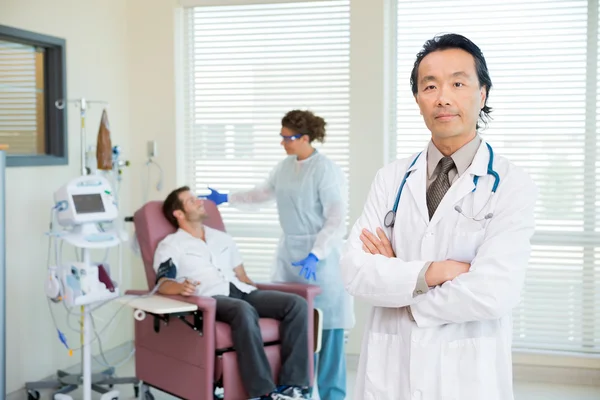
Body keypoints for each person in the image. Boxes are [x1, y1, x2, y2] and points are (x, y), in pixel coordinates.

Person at [340, 33, 538, 400]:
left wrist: (401, 285)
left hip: (467, 377)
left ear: (483, 95)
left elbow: (493, 292)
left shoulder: (512, 185)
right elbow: (354, 271)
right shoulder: (391, 179)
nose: (443, 97)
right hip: (390, 371)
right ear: (417, 99)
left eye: (458, 83)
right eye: (429, 85)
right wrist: (436, 272)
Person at [204, 110, 354, 400]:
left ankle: (333, 395)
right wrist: (226, 198)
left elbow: (335, 220)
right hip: (289, 256)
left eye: (289, 138)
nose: (283, 142)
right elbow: (261, 194)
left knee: (328, 333)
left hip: (322, 261)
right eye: (282, 137)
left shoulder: (326, 170)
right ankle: (299, 391)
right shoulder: (285, 167)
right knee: (296, 329)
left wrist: (315, 254)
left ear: (306, 138)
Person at [154, 186, 312, 400]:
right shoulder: (171, 245)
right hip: (211, 298)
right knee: (243, 310)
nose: (200, 201)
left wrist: (264, 295)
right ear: (178, 214)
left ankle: (293, 386)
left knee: (296, 304)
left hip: (242, 291)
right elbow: (163, 283)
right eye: (192, 201)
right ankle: (263, 392)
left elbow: (242, 276)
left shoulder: (221, 238)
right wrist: (181, 288)